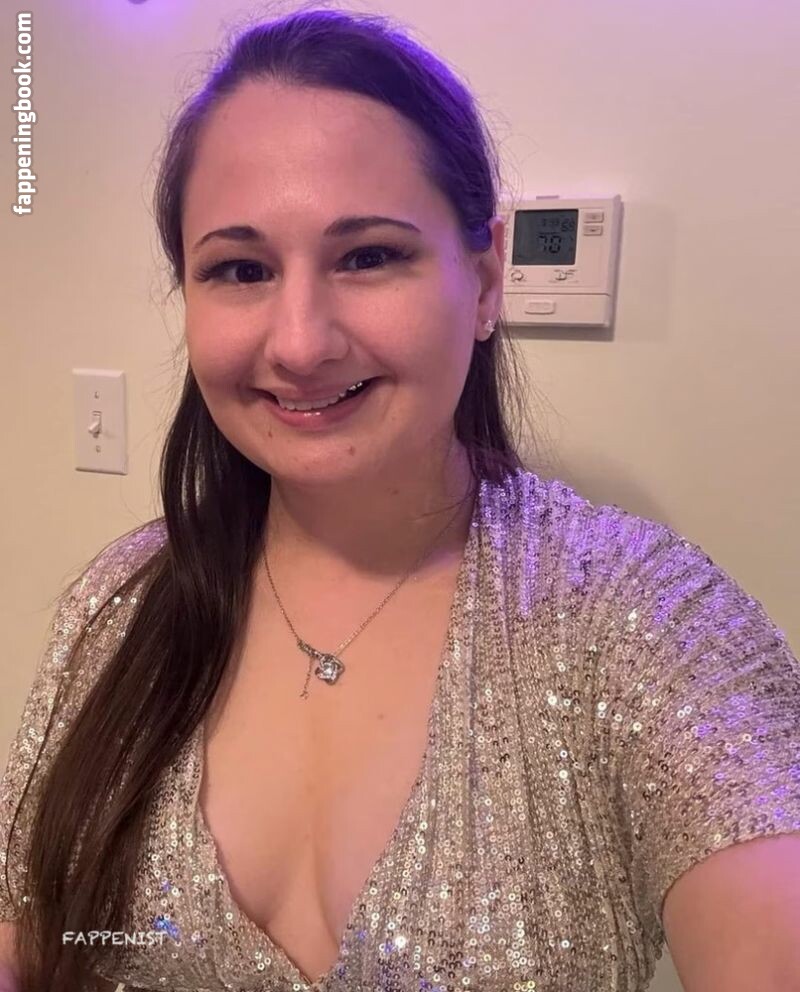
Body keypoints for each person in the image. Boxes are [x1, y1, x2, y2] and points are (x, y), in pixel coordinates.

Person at [1, 6, 799, 992]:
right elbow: (29, 941)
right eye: (240, 269)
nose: (300, 341)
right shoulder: (119, 605)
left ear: (484, 278)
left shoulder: (640, 617)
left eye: (368, 255)